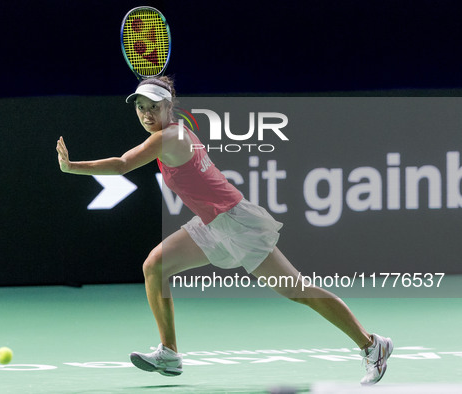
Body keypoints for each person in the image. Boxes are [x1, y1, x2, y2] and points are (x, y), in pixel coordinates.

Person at [56, 76, 393, 385]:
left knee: (297, 290)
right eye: (141, 107)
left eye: (153, 107)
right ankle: (170, 354)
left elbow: (122, 164)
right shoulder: (176, 128)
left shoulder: (169, 136)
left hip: (237, 223)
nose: (145, 113)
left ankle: (371, 345)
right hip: (211, 224)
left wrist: (72, 167)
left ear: (168, 106)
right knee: (154, 265)